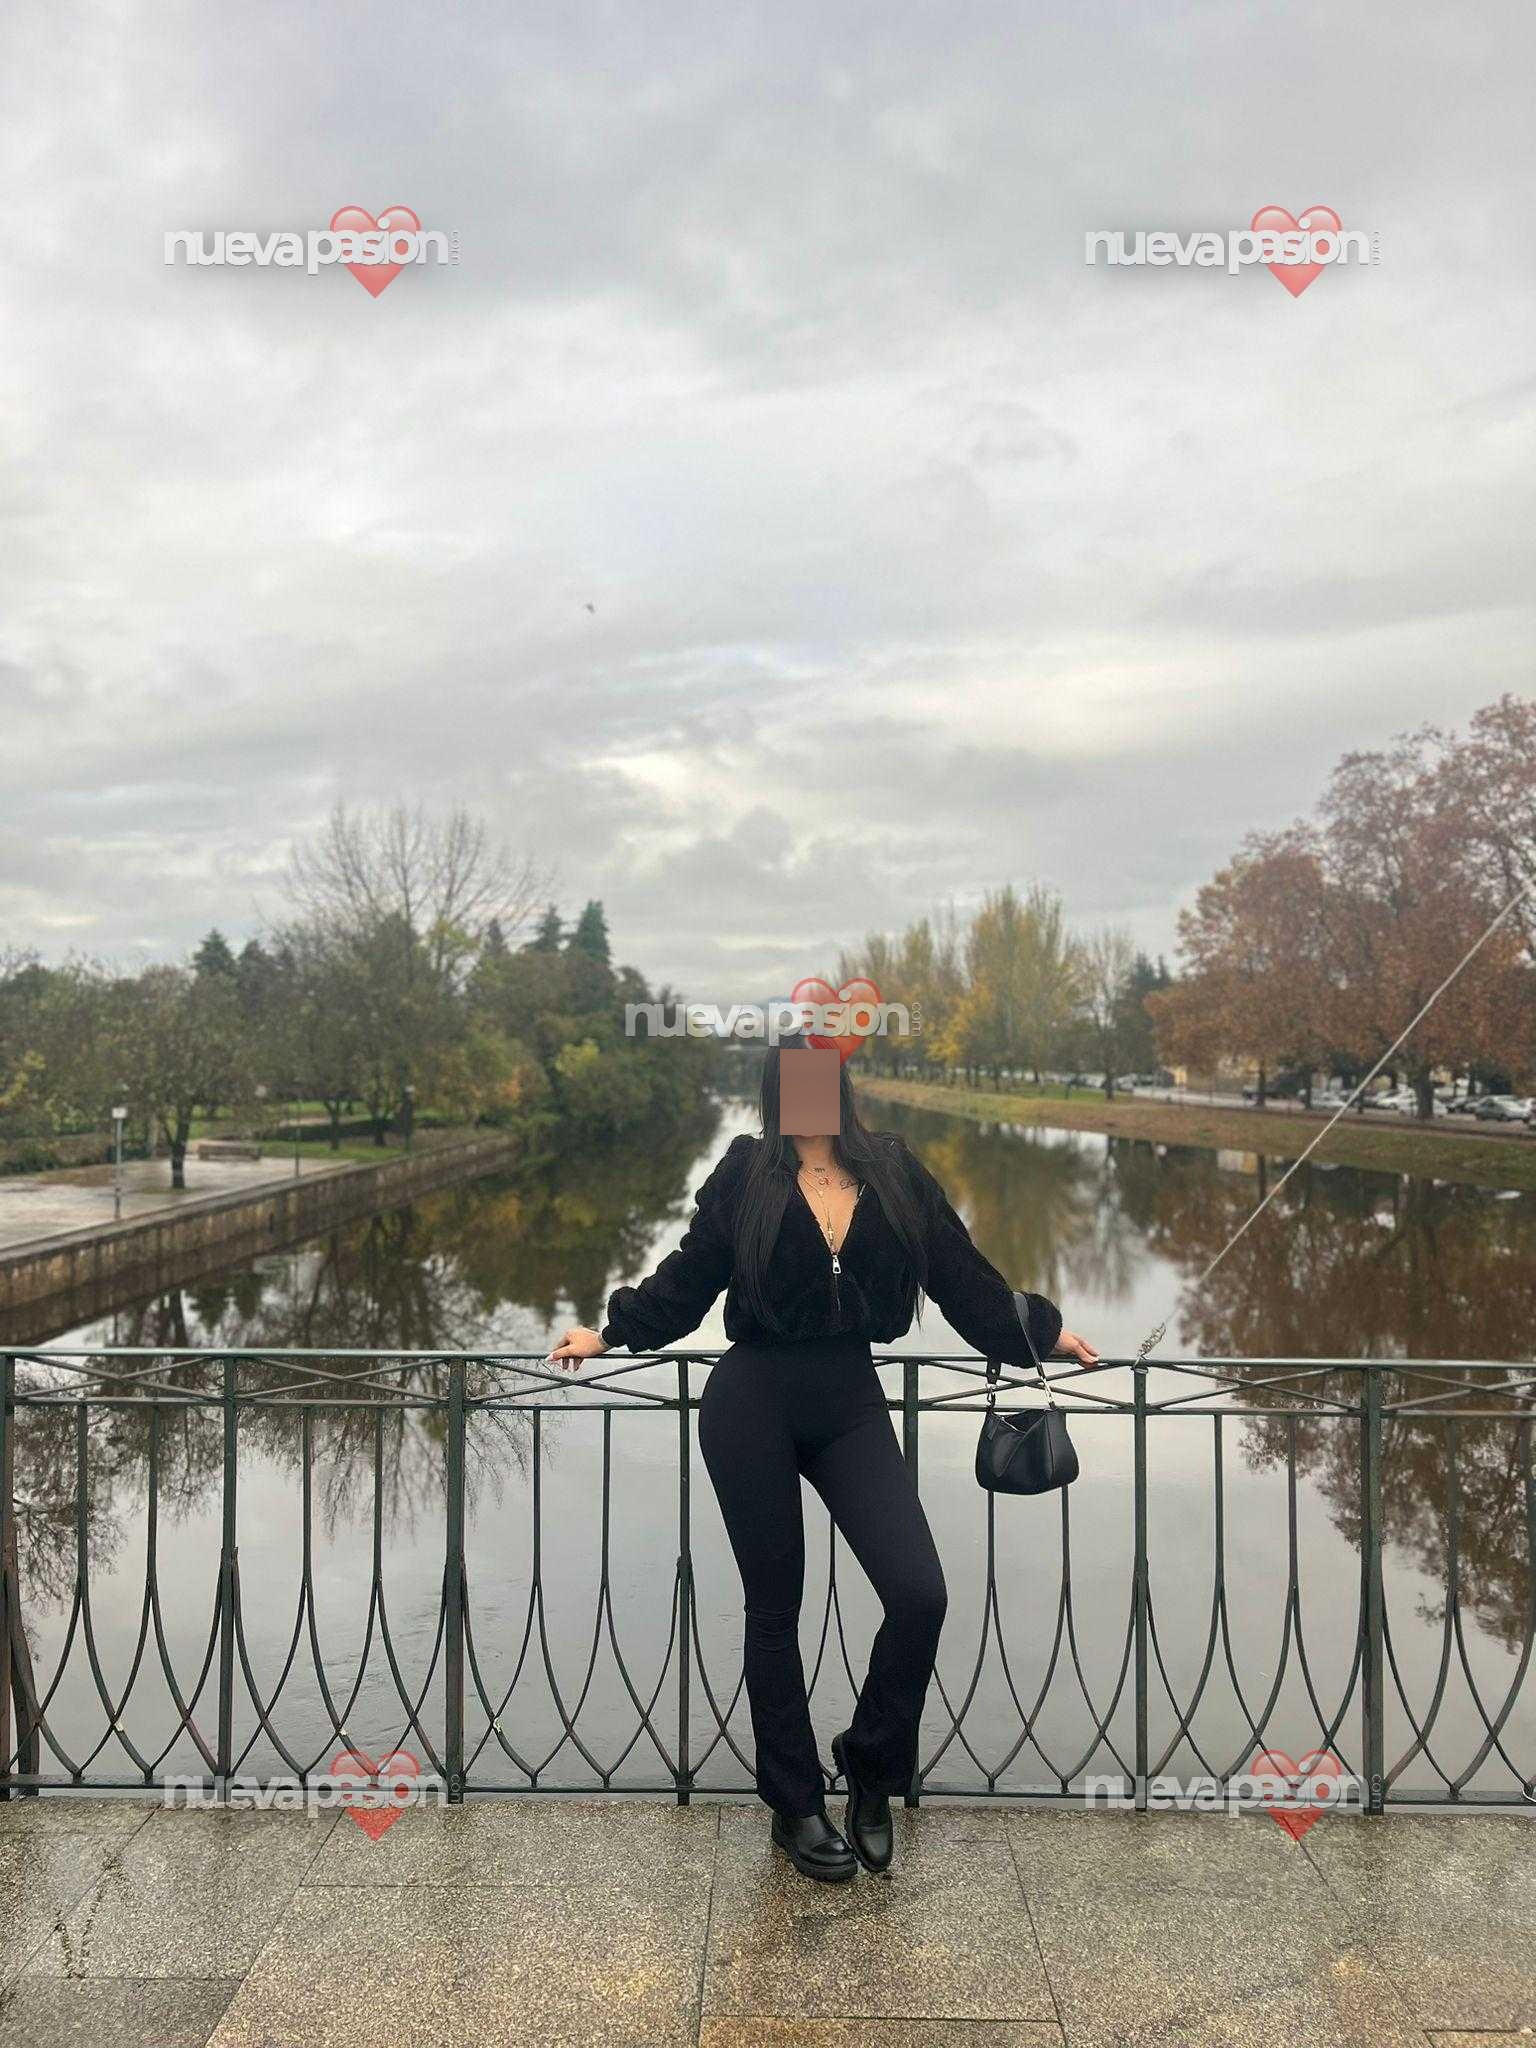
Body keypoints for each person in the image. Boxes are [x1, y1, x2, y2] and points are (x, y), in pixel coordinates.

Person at [548, 1036, 1101, 1883]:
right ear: (776, 1092)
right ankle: (795, 1805)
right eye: (792, 1082)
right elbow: (689, 1277)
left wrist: (1040, 1334)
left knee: (919, 1593)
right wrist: (610, 1332)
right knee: (775, 1611)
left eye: (821, 1079)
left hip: (849, 1403)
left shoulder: (893, 1171)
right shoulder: (747, 1172)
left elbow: (961, 1275)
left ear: (839, 1086)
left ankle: (871, 1767)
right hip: (751, 1402)